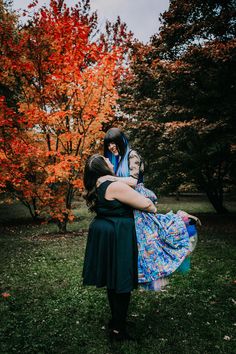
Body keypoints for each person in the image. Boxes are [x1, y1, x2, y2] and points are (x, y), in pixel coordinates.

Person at [102, 127, 200, 290]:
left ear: (121, 141)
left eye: (114, 143)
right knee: (144, 237)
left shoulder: (132, 154)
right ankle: (149, 276)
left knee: (149, 236)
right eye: (109, 144)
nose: (111, 147)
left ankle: (182, 221)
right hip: (127, 198)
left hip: (136, 196)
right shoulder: (118, 159)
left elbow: (133, 181)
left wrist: (110, 178)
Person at [82, 154, 157, 342]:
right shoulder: (114, 185)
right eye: (106, 160)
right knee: (122, 279)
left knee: (112, 279)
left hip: (105, 230)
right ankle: (118, 330)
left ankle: (117, 320)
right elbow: (146, 204)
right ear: (102, 166)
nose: (110, 160)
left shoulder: (97, 184)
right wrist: (153, 207)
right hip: (117, 234)